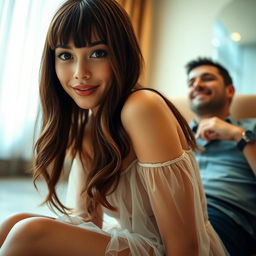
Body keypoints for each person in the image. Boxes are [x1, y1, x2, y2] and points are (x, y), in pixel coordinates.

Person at [0, 1, 227, 255]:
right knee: (12, 224)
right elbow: (87, 223)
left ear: (121, 53)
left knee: (28, 233)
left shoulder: (142, 107)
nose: (80, 73)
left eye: (98, 53)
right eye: (65, 55)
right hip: (141, 245)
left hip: (175, 251)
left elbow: (186, 247)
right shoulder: (87, 128)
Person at [185, 57, 256, 256]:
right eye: (191, 83)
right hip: (168, 210)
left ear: (230, 91)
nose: (197, 85)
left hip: (224, 217)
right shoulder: (174, 136)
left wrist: (237, 135)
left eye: (206, 78)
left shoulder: (251, 129)